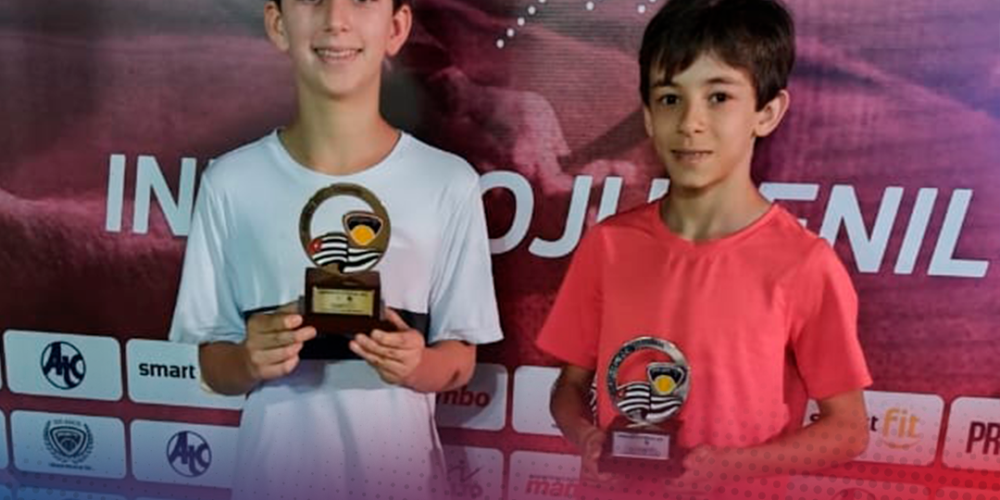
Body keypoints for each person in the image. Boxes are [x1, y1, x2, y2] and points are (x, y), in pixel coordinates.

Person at [536, 0, 872, 498]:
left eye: (718, 97)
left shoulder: (804, 263)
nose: (690, 122)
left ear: (767, 112)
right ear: (648, 116)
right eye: (671, 98)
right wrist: (586, 437)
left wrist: (731, 467)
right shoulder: (608, 246)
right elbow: (568, 388)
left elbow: (848, 429)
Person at [168, 1, 502, 499]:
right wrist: (249, 360)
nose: (335, 19)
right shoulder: (230, 183)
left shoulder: (448, 182)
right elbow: (215, 366)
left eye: (361, 0)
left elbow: (460, 360)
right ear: (278, 23)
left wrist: (417, 366)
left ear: (396, 27)